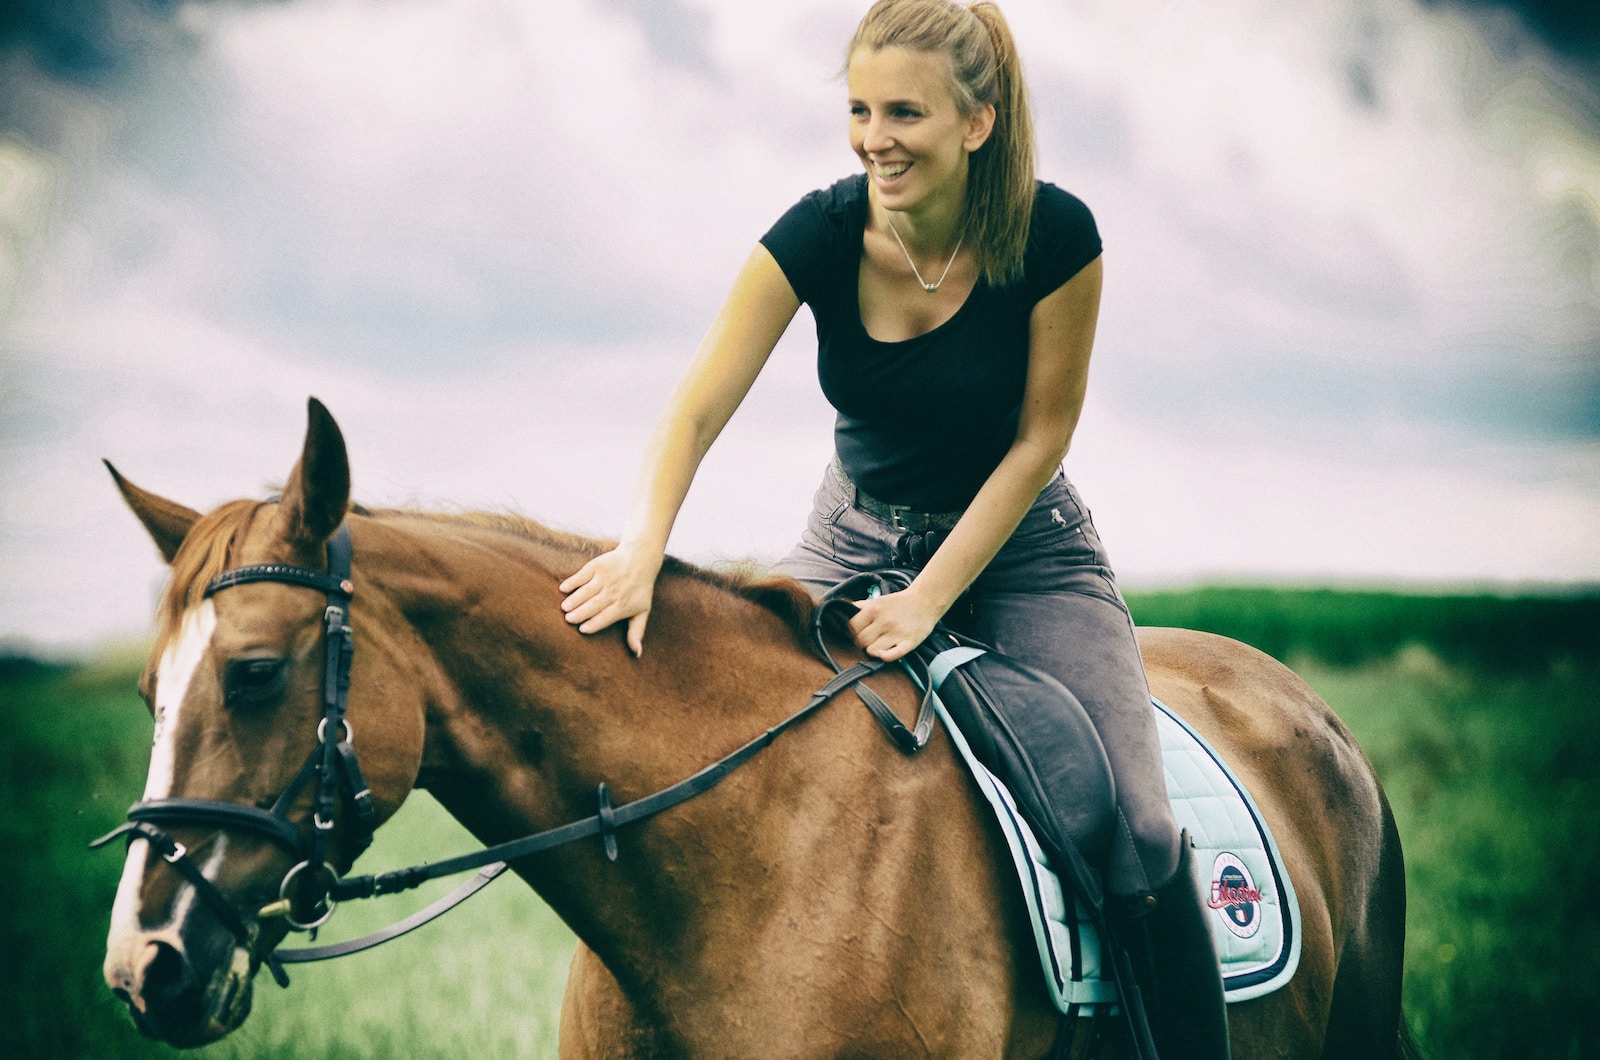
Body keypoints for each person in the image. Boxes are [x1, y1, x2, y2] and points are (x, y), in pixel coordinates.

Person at [558, 1, 1228, 1055]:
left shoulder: (1057, 238)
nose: (875, 138)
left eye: (904, 113)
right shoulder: (818, 235)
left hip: (1022, 549)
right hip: (851, 536)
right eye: (862, 110)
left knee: (1137, 829)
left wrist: (928, 600)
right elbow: (692, 410)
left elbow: (1038, 441)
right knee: (731, 756)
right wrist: (644, 545)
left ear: (977, 123)